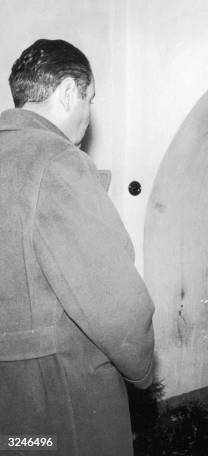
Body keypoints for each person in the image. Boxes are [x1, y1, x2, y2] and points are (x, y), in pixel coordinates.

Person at [0, 39, 154, 455]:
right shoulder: (58, 162)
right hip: (57, 397)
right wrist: (142, 371)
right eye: (89, 98)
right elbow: (115, 301)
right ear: (69, 91)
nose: (88, 114)